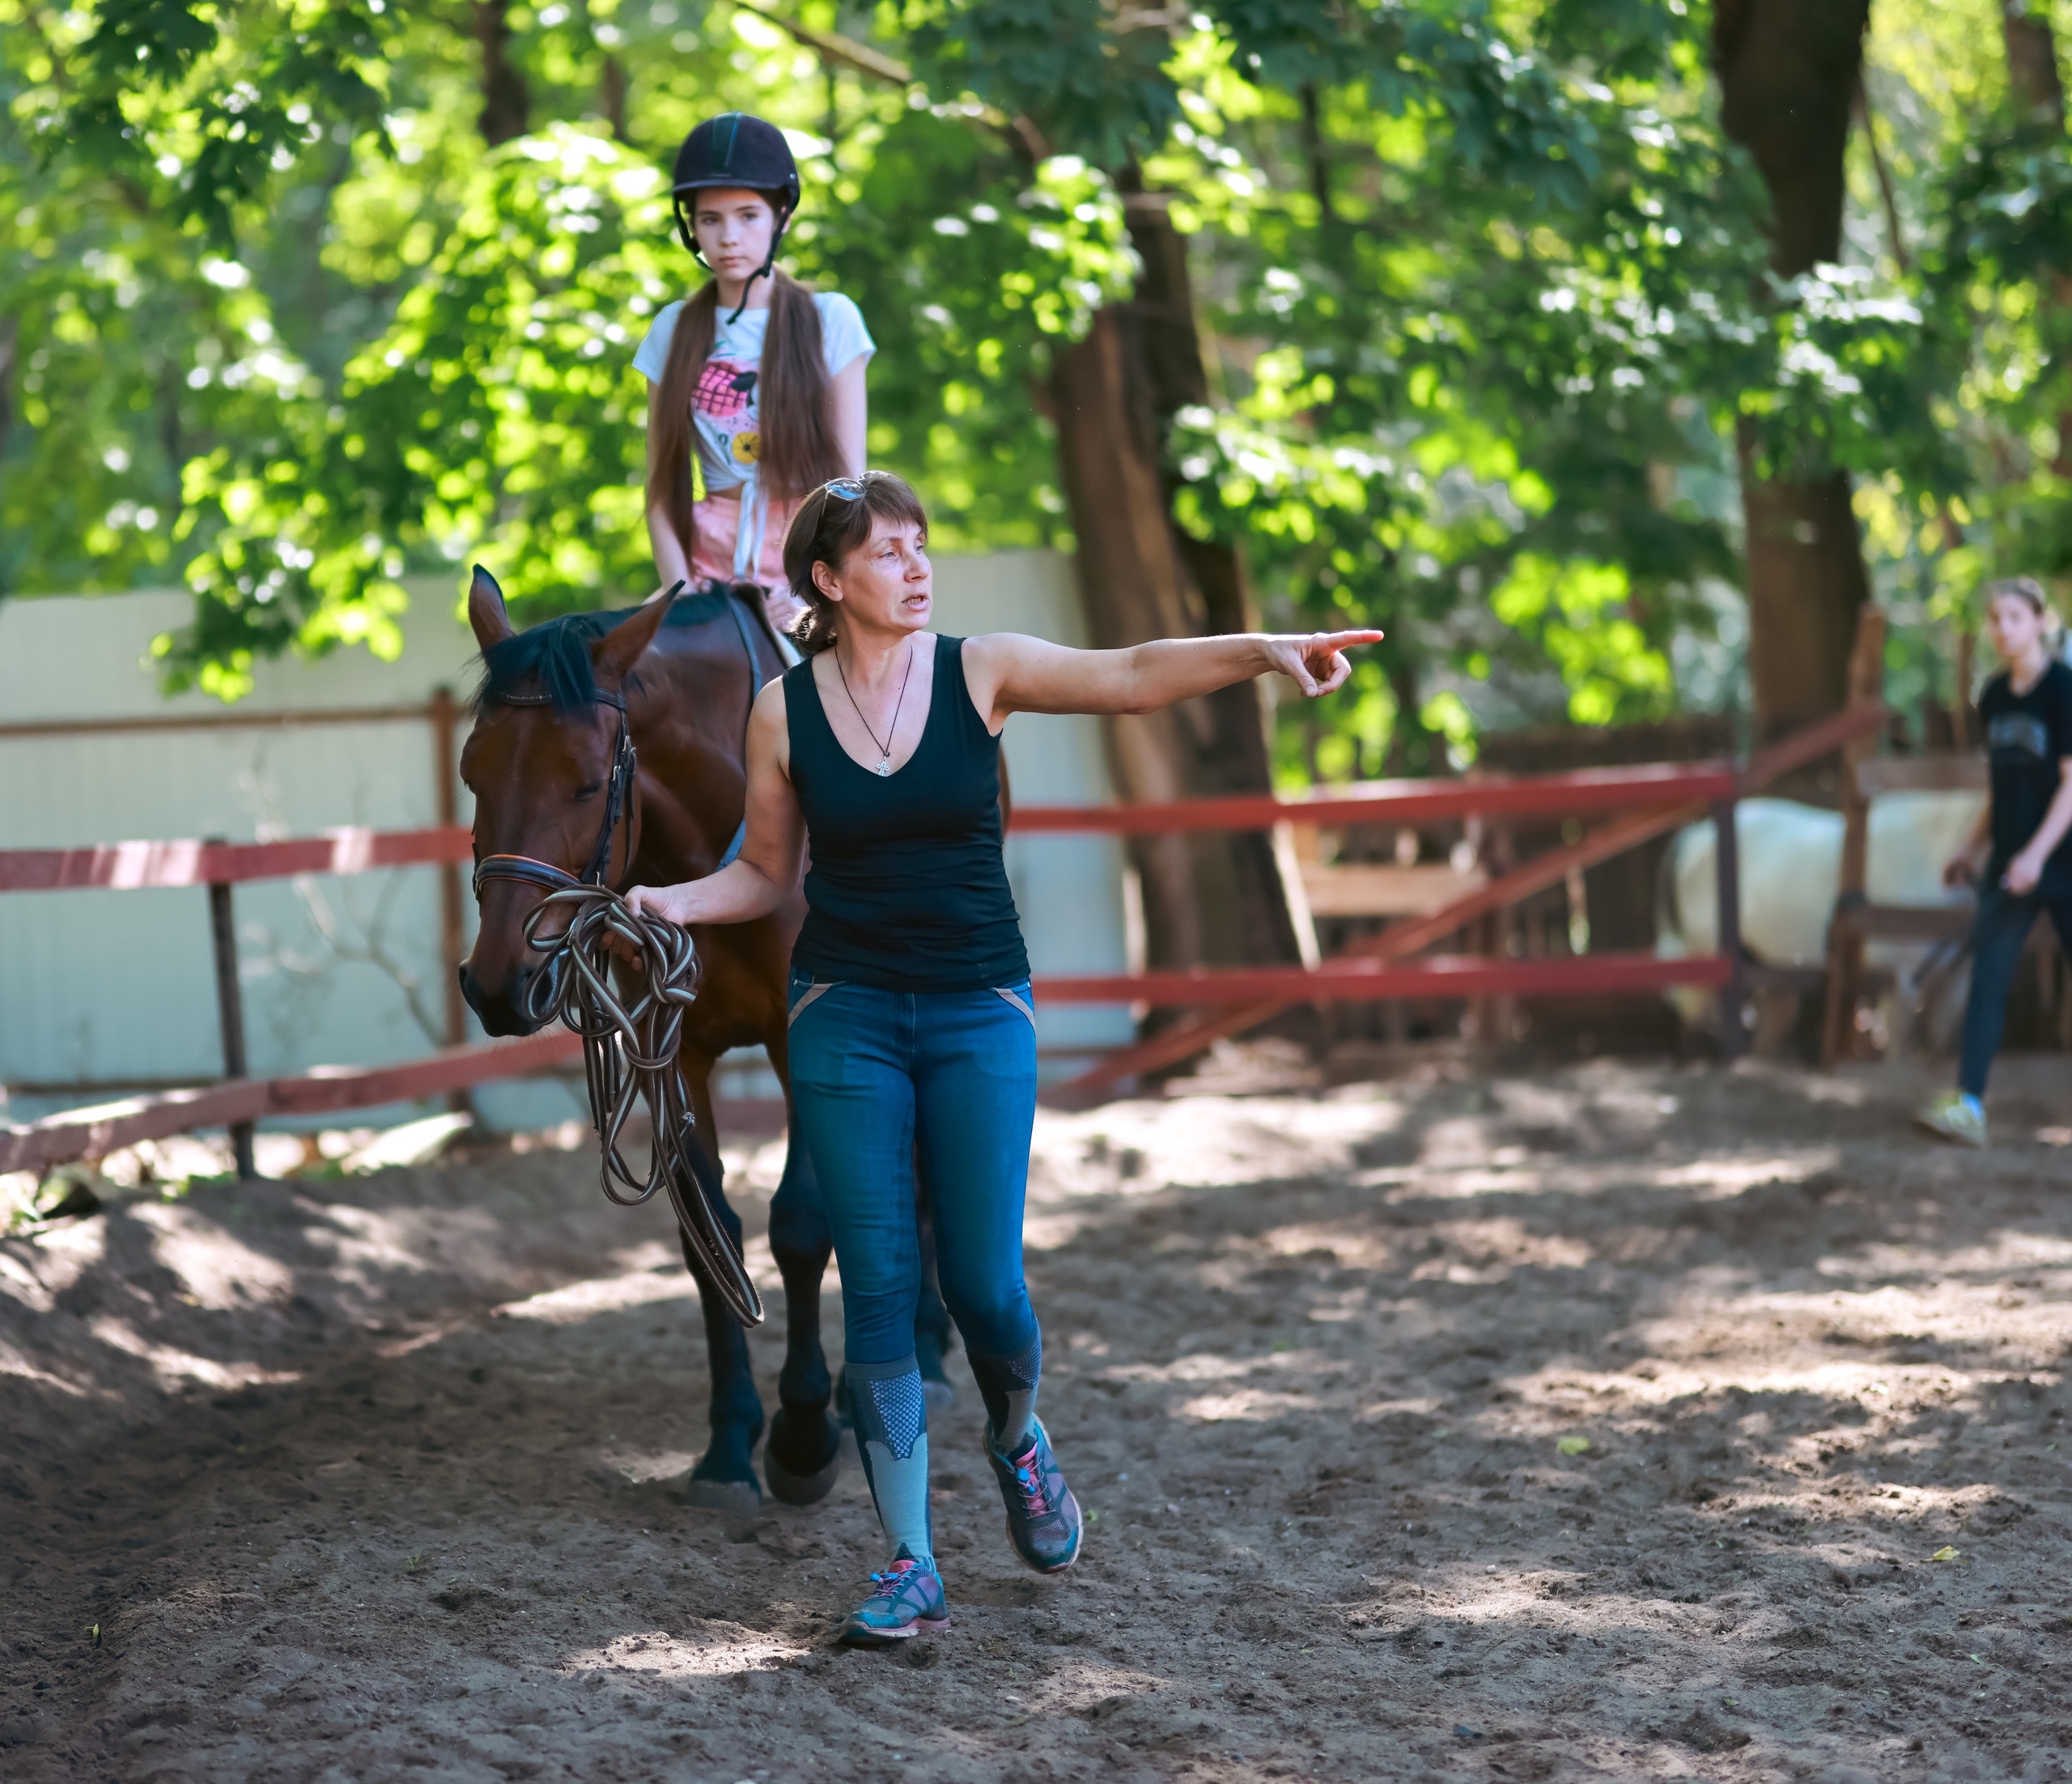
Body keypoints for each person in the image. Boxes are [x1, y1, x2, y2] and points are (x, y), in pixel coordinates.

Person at [622, 470, 1380, 1644]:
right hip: (844, 1017)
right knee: (876, 1286)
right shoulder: (783, 710)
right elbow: (765, 875)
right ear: (827, 581)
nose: (917, 566)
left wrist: (1265, 648)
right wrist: (666, 900)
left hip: (979, 1010)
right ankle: (909, 1559)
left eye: (923, 544)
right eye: (886, 551)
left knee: (981, 1287)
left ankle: (1018, 1438)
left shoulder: (983, 670)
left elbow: (1129, 676)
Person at [636, 111, 871, 636]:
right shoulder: (672, 331)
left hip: (810, 561)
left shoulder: (830, 320)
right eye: (711, 219)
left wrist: (808, 590)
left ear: (780, 217)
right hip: (704, 568)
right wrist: (681, 588)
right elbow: (660, 489)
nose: (728, 237)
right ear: (690, 225)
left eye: (747, 216)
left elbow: (851, 483)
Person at [1916, 576, 2072, 1148]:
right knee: (1988, 979)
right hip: (2012, 865)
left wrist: (2038, 855)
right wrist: (1969, 845)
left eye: (2015, 616)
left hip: (2061, 860)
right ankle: (1970, 1105)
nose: (2004, 628)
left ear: (2039, 621)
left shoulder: (2063, 689)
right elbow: (2001, 783)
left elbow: (2070, 788)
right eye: (1996, 618)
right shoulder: (1996, 697)